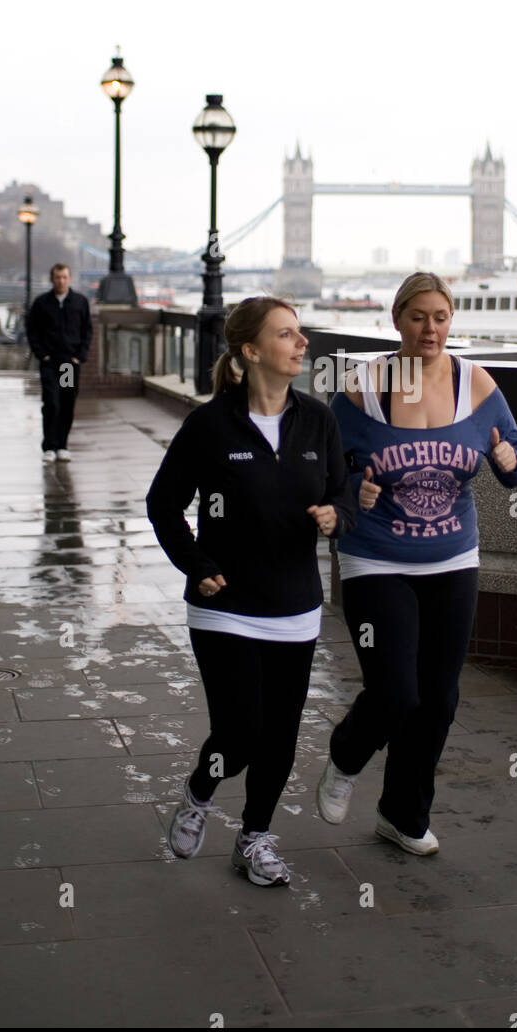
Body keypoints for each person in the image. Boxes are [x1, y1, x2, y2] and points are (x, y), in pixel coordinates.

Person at [317, 272, 517, 854]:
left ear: (452, 321)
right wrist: (351, 489)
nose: (431, 329)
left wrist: (510, 460)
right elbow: (321, 469)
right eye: (418, 317)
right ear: (397, 321)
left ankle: (403, 815)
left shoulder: (477, 385)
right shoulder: (364, 387)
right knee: (396, 694)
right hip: (376, 559)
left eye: (440, 317)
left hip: (452, 559)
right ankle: (345, 757)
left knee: (439, 698)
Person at [146, 297, 357, 887]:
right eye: (286, 334)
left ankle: (256, 838)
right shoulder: (210, 425)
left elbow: (344, 495)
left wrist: (336, 517)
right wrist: (195, 562)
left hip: (295, 606)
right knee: (238, 735)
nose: (301, 343)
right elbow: (163, 505)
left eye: (300, 333)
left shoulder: (319, 419)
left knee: (281, 738)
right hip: (226, 607)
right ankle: (200, 790)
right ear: (250, 351)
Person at [25, 264, 92, 462]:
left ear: (69, 279)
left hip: (68, 364)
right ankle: (49, 446)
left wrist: (79, 356)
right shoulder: (42, 303)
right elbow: (32, 330)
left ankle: (62, 445)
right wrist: (41, 354)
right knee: (51, 403)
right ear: (52, 279)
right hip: (50, 362)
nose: (61, 281)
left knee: (66, 403)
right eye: (57, 277)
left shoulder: (79, 302)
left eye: (64, 277)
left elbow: (87, 331)